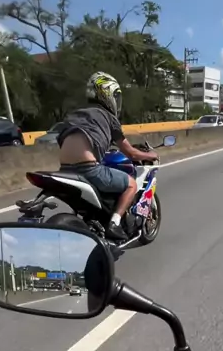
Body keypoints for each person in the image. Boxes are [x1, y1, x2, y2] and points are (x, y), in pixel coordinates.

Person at [56, 72, 158, 242]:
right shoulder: (108, 117)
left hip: (64, 170)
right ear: (107, 94)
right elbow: (131, 153)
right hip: (87, 170)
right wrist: (150, 154)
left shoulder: (75, 115)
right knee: (131, 185)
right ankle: (114, 223)